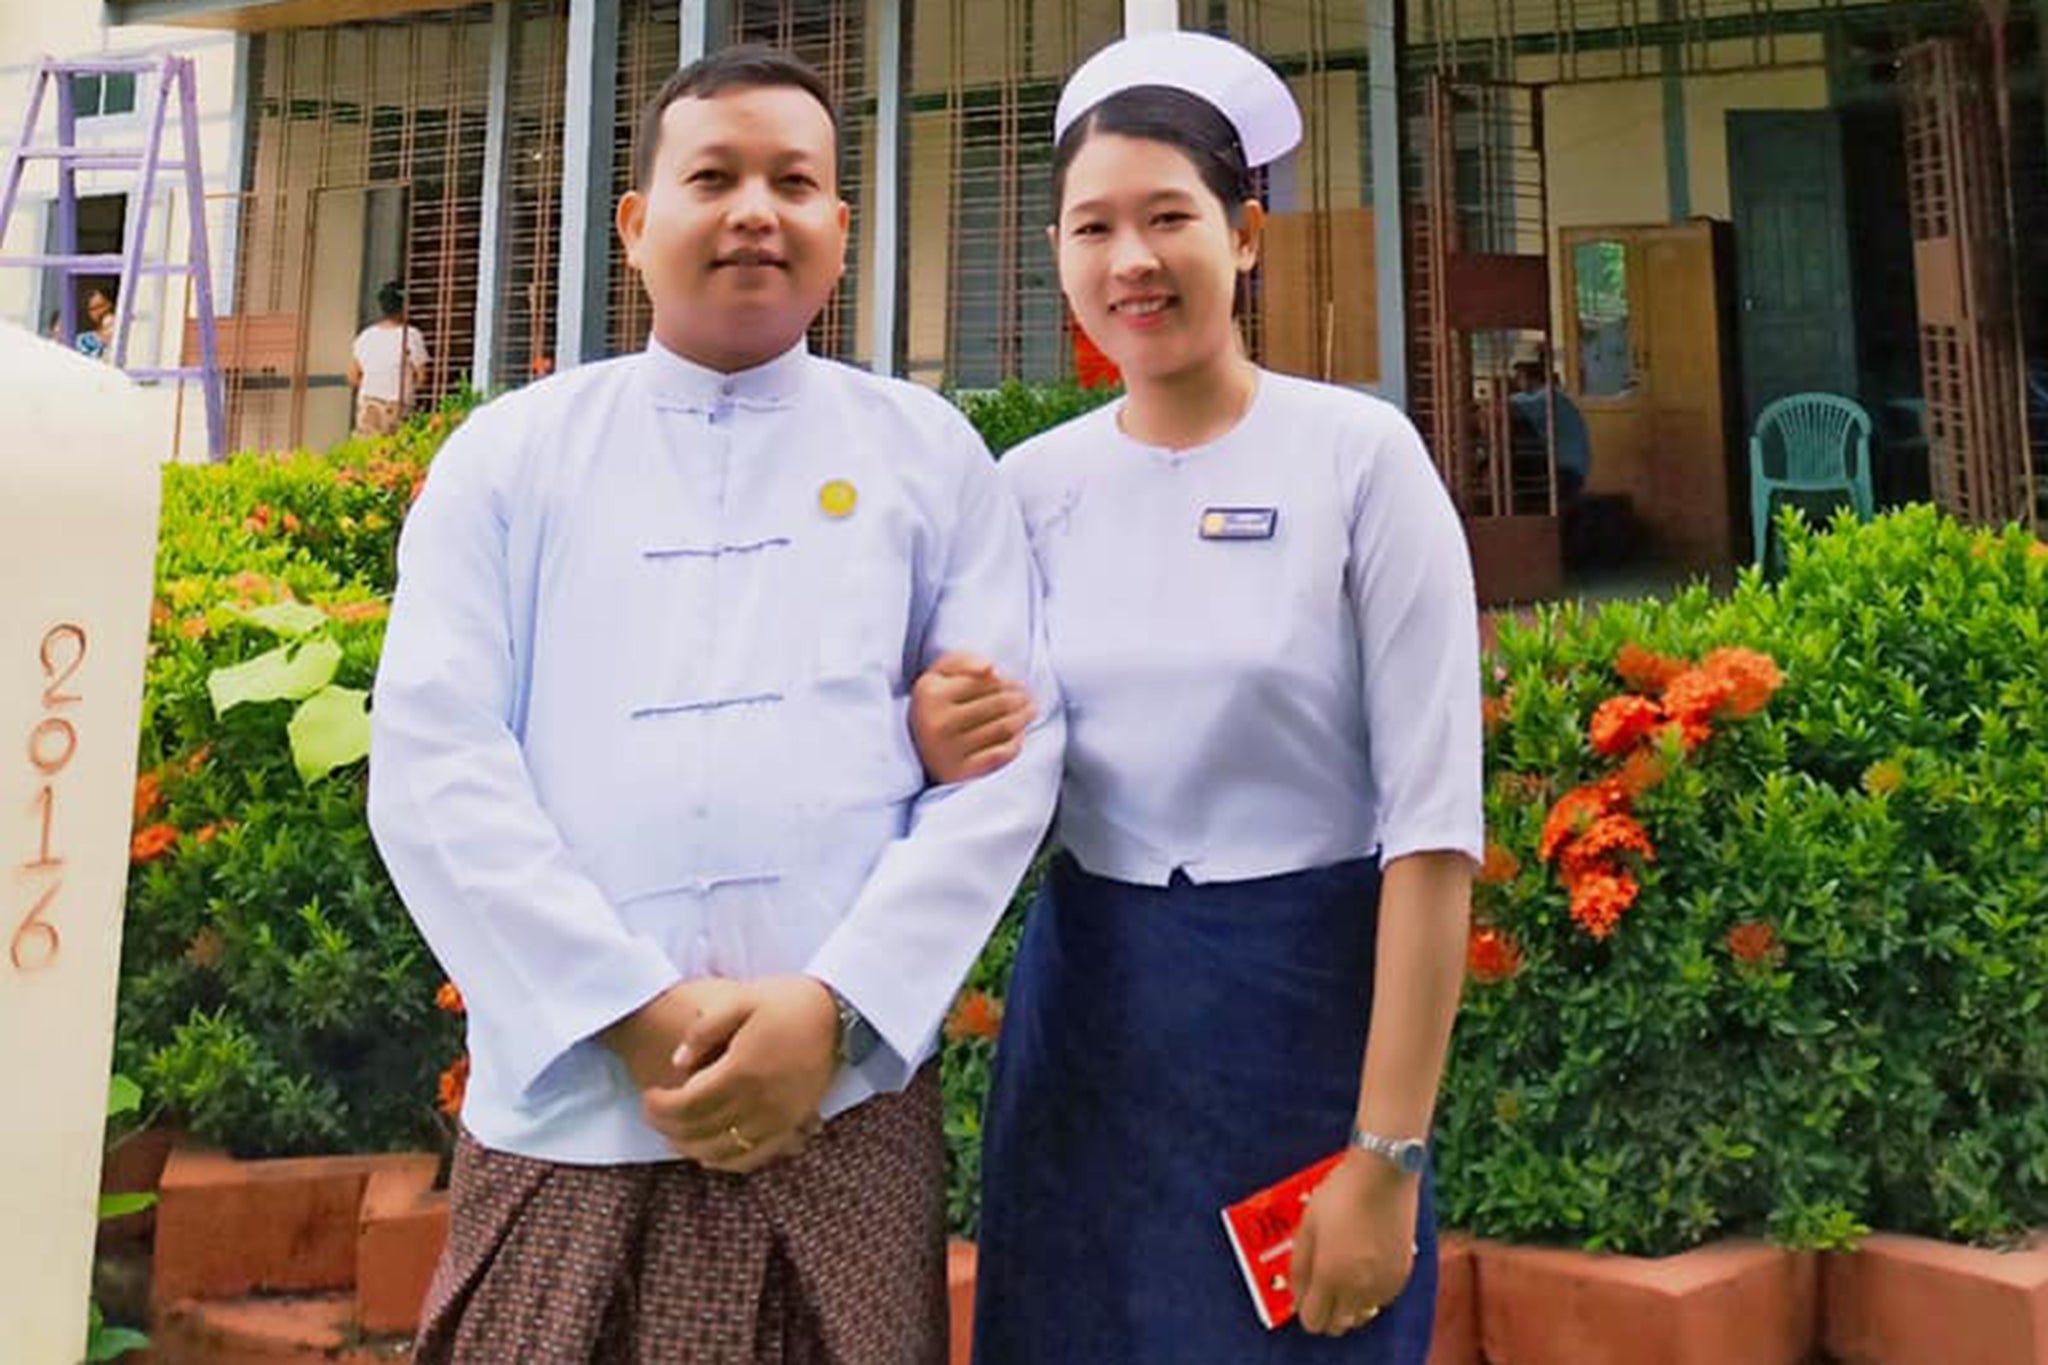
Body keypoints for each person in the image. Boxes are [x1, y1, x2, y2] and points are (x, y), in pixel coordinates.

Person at [367, 46, 1062, 1364]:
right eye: (716, 177)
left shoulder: (929, 458)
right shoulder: (510, 460)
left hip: (840, 1100)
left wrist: (834, 1008)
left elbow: (1007, 761)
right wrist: (627, 1010)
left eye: (796, 182)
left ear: (841, 230)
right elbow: (434, 763)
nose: (758, 210)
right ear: (634, 224)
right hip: (575, 1100)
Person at [907, 31, 1482, 1363]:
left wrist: (1385, 1155)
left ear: (1247, 238)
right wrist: (935, 739)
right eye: (1093, 226)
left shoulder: (1358, 459)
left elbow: (1436, 832)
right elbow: (975, 766)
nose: (1133, 260)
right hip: (1091, 1017)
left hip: (1301, 1017)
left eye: (1170, 217)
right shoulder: (1026, 489)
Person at [349, 281, 429, 436]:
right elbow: (422, 377)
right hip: (397, 406)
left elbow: (353, 376)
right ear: (404, 307)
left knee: (368, 454)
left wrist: (375, 386)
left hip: (368, 406)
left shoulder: (365, 336)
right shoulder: (411, 335)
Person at [1507, 357, 1591, 502]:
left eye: (1518, 378)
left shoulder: (1550, 397)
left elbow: (1512, 406)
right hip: (1568, 468)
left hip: (1567, 470)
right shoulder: (1551, 396)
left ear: (1530, 378)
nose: (1516, 383)